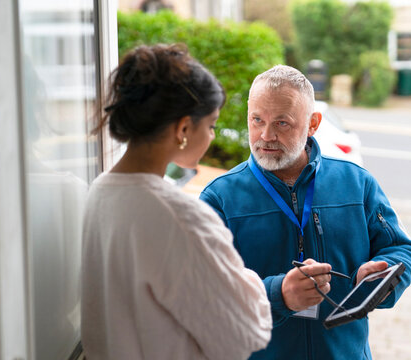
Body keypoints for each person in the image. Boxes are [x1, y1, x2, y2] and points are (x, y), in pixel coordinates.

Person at [200, 65, 411, 359]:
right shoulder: (219, 198)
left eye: (282, 123)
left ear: (313, 124)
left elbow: (402, 250)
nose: (265, 135)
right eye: (257, 120)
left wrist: (382, 278)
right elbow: (203, 294)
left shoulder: (357, 183)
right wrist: (278, 295)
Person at [81, 44, 272, 360]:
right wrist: (243, 278)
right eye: (210, 125)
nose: (211, 136)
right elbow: (247, 333)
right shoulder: (180, 217)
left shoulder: (100, 192)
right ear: (183, 128)